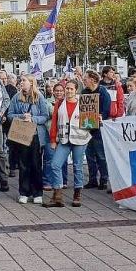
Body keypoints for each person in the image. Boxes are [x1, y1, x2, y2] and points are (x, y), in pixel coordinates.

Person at [45, 79, 91, 208]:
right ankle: (57, 194)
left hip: (80, 139)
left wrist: (96, 120)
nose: (69, 91)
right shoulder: (59, 103)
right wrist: (53, 140)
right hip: (64, 139)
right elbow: (54, 122)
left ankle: (77, 194)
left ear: (76, 90)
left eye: (71, 89)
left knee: (77, 166)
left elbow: (91, 121)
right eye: (67, 88)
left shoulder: (83, 103)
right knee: (55, 164)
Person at [6, 75, 51, 204]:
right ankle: (24, 192)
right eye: (20, 81)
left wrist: (33, 119)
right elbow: (10, 115)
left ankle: (37, 192)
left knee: (36, 164)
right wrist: (21, 116)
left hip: (36, 135)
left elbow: (45, 116)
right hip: (22, 134)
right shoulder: (16, 97)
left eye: (24, 81)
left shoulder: (39, 97)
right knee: (23, 164)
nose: (21, 83)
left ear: (31, 83)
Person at [80, 70, 112, 191]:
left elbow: (107, 108)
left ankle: (104, 179)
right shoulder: (84, 92)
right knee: (89, 155)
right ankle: (92, 179)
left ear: (92, 80)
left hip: (99, 128)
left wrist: (101, 116)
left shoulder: (102, 91)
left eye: (85, 79)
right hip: (88, 127)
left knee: (101, 155)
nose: (84, 81)